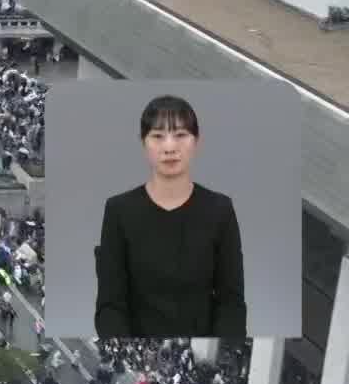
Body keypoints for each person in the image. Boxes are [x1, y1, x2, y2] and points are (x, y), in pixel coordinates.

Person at [94, 93, 248, 337]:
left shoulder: (220, 210)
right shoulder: (119, 211)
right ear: (143, 142)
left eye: (180, 135)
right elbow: (110, 304)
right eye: (157, 136)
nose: (169, 147)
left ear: (196, 141)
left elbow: (232, 302)